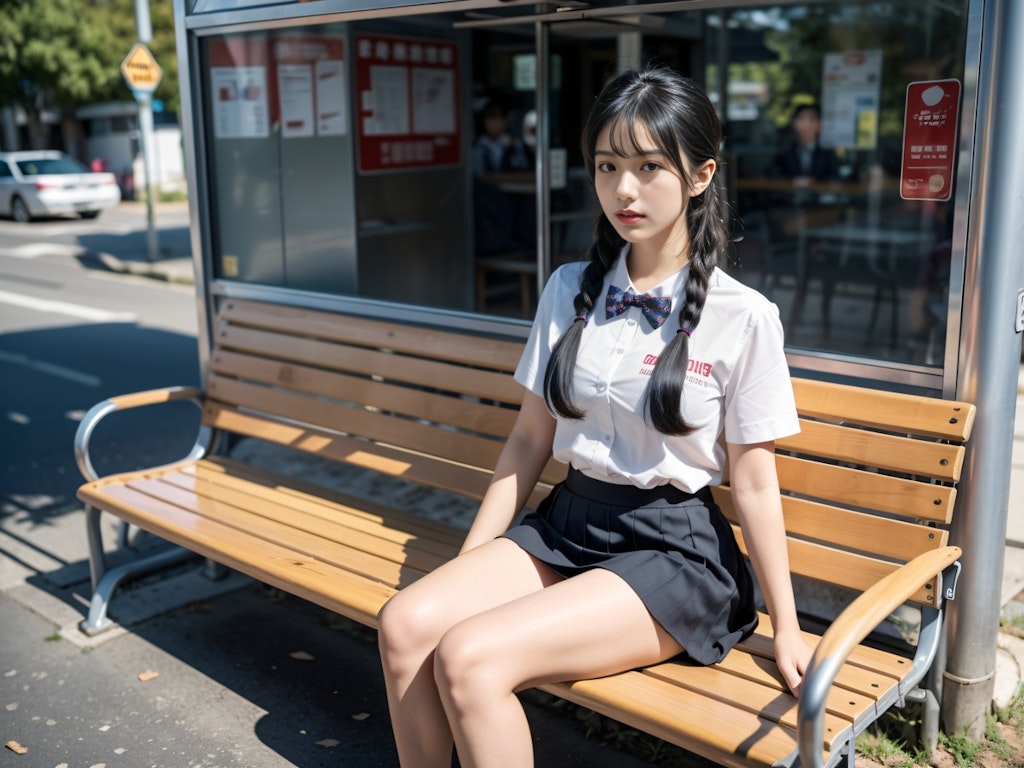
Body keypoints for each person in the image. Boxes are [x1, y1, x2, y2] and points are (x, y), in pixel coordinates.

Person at [378, 66, 812, 768]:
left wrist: (787, 626)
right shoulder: (567, 291)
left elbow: (756, 484)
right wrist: (469, 569)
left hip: (673, 551)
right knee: (406, 625)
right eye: (608, 166)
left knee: (469, 657)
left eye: (648, 167)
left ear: (700, 175)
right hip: (570, 521)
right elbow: (527, 441)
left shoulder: (744, 317)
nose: (623, 190)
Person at [773, 103, 841, 185]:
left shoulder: (828, 153)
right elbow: (773, 176)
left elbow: (835, 179)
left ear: (819, 124)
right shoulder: (784, 153)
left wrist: (815, 183)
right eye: (801, 119)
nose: (806, 125)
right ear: (794, 123)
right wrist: (793, 181)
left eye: (811, 120)